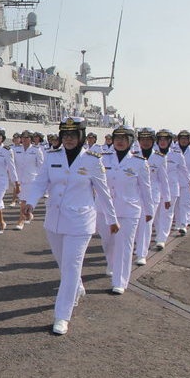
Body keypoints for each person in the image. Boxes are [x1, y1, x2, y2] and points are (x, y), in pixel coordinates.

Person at [20, 117, 119, 335]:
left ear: (81, 137)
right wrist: (30, 201)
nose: (69, 139)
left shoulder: (93, 160)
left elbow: (103, 192)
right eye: (65, 135)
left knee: (72, 267)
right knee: (64, 264)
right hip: (54, 220)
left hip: (80, 222)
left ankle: (62, 316)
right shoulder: (52, 156)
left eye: (73, 135)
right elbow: (40, 182)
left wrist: (112, 219)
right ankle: (77, 287)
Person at [100, 126, 153, 295]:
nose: (120, 141)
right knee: (108, 243)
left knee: (125, 245)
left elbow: (146, 189)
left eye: (124, 138)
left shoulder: (139, 163)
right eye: (117, 138)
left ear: (131, 141)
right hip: (104, 209)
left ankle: (120, 281)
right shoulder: (103, 159)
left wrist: (149, 210)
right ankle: (112, 263)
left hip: (129, 210)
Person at [133, 127, 171, 266]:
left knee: (146, 223)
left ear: (153, 140)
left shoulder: (159, 158)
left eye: (148, 139)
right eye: (142, 139)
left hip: (152, 195)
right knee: (135, 223)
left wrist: (167, 198)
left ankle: (142, 254)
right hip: (135, 194)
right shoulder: (133, 155)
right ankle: (136, 246)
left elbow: (164, 179)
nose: (145, 142)